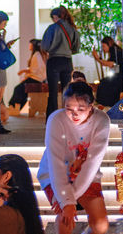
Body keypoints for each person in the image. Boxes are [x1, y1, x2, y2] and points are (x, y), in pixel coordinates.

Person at [37, 80, 110, 234]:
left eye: (81, 109)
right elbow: (55, 163)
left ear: (91, 106)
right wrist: (66, 202)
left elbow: (92, 163)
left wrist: (70, 200)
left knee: (101, 223)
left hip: (86, 175)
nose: (74, 114)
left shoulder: (101, 121)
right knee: (65, 219)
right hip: (55, 174)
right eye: (68, 108)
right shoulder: (56, 120)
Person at [41, 6, 80, 119]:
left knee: (53, 93)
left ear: (55, 17)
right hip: (67, 61)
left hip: (54, 61)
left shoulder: (52, 28)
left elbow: (45, 46)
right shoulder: (73, 29)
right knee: (66, 92)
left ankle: (52, 119)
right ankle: (67, 117)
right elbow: (76, 48)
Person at [9, 39, 46, 111]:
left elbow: (35, 70)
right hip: (37, 79)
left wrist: (24, 72)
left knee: (18, 89)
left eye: (30, 44)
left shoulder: (36, 55)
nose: (29, 46)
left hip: (36, 79)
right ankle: (16, 107)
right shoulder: (38, 55)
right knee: (21, 90)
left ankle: (14, 107)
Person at [93, 36, 123, 108]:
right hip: (118, 75)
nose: (103, 49)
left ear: (109, 44)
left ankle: (105, 104)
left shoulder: (114, 50)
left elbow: (110, 64)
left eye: (104, 46)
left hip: (120, 77)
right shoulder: (115, 50)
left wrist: (97, 58)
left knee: (104, 83)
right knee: (103, 82)